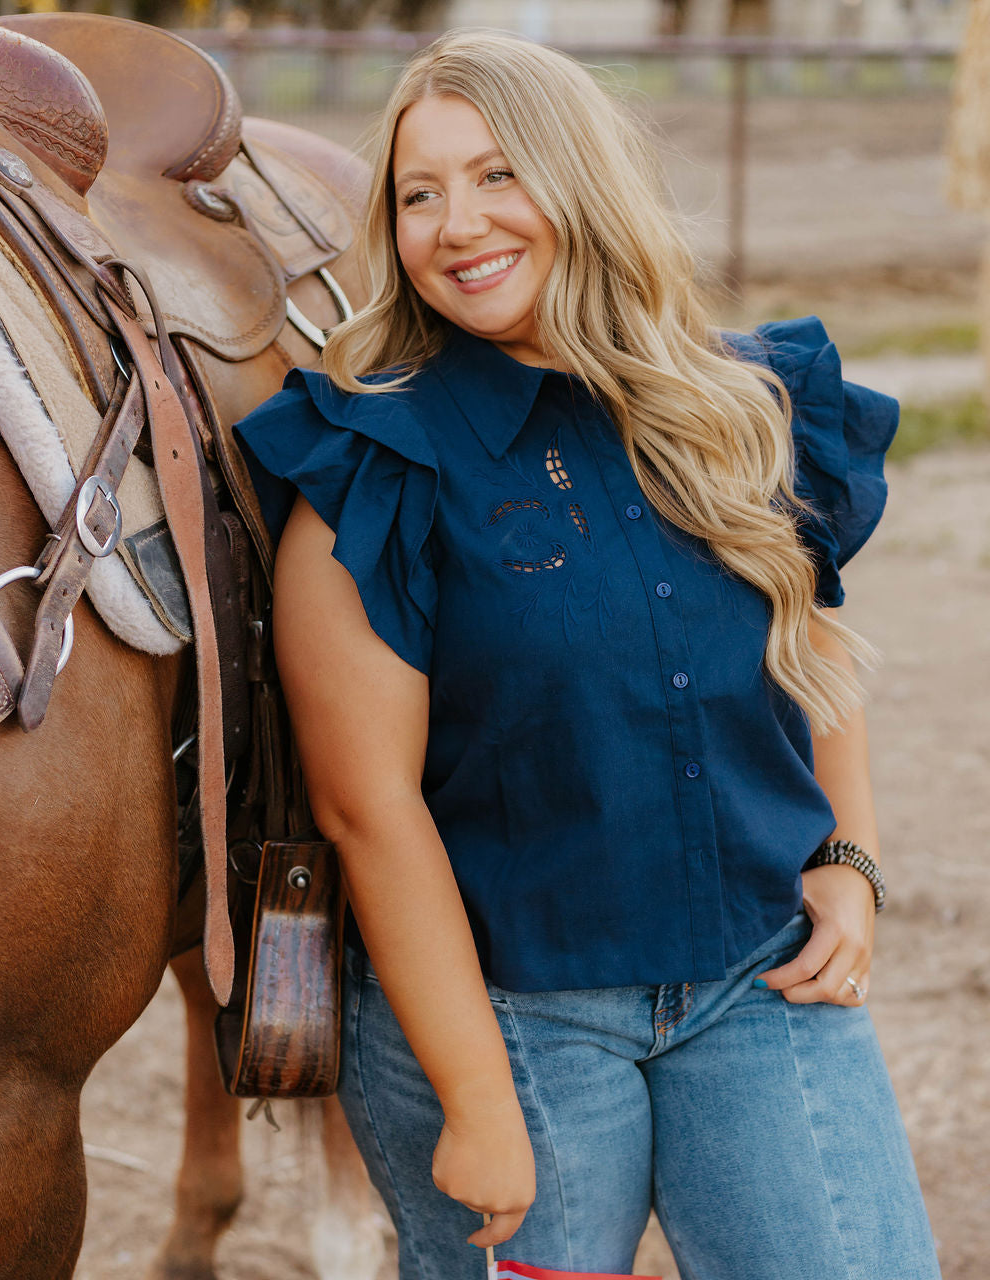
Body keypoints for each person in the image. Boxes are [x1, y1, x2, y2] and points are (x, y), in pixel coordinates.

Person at [235, 30, 941, 1280]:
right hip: (511, 1016)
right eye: (418, 192)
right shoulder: (374, 460)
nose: (457, 223)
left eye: (499, 174)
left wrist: (848, 852)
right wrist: (476, 1097)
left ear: (582, 179)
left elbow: (806, 639)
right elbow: (368, 807)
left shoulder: (742, 404)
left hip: (754, 980)